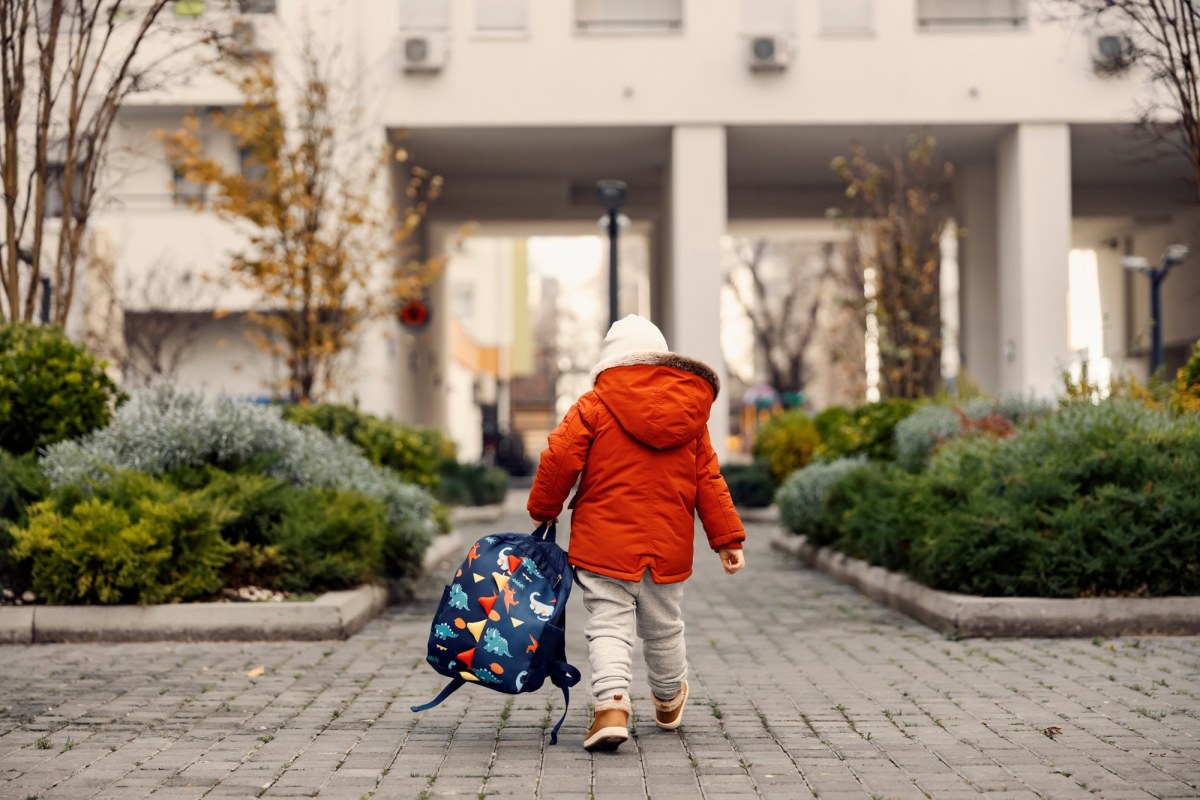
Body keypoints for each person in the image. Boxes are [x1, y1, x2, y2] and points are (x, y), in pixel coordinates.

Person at [527, 314, 746, 752]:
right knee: (663, 625)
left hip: (602, 543)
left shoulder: (593, 405)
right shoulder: (691, 416)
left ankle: (611, 706)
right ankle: (668, 698)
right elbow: (709, 479)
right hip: (668, 544)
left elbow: (559, 458)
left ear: (610, 362)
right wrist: (727, 539)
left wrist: (544, 511)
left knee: (608, 623)